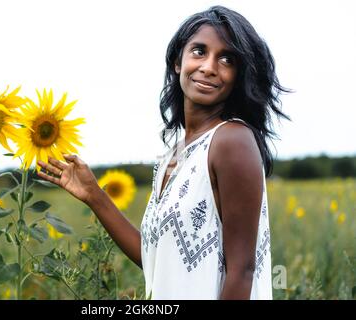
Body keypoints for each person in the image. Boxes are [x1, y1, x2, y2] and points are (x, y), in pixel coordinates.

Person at [37, 5, 290, 300]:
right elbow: (156, 260)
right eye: (199, 51)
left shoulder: (232, 140)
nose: (209, 66)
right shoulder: (174, 154)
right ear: (177, 62)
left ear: (238, 74)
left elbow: (241, 271)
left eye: (226, 59)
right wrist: (94, 195)